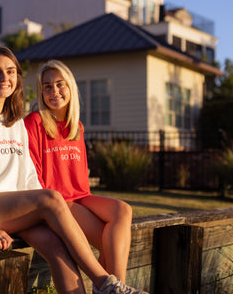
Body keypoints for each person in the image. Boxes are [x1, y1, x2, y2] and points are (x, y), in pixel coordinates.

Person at [0, 46, 137, 294]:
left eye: (10, 71)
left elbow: (27, 176)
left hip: (14, 210)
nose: (4, 78)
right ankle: (106, 284)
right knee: (51, 197)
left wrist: (39, 208)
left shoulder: (14, 122)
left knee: (58, 249)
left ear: (18, 78)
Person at [24, 59, 145, 294]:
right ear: (41, 92)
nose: (54, 91)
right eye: (47, 86)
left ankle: (114, 286)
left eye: (60, 84)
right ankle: (115, 289)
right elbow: (34, 175)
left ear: (70, 87)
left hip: (80, 195)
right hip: (56, 201)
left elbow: (79, 179)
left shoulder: (76, 127)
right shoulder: (35, 122)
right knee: (106, 242)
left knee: (123, 210)